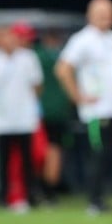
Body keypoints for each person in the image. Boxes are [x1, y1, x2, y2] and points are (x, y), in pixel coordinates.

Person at [56, 0, 112, 215]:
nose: (106, 18)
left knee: (107, 156)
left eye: (109, 13)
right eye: (101, 13)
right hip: (95, 111)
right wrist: (78, 96)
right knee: (96, 155)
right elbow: (63, 68)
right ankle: (94, 201)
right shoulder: (82, 40)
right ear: (90, 15)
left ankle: (101, 198)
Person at [0, 25, 43, 211]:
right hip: (2, 118)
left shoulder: (28, 58)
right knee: (3, 160)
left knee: (27, 159)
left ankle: (29, 195)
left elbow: (37, 85)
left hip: (24, 117)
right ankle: (3, 196)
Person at [35, 27, 74, 205]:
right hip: (55, 111)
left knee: (48, 152)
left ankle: (46, 189)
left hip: (43, 112)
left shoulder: (37, 56)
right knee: (53, 151)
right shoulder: (61, 57)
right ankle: (49, 190)